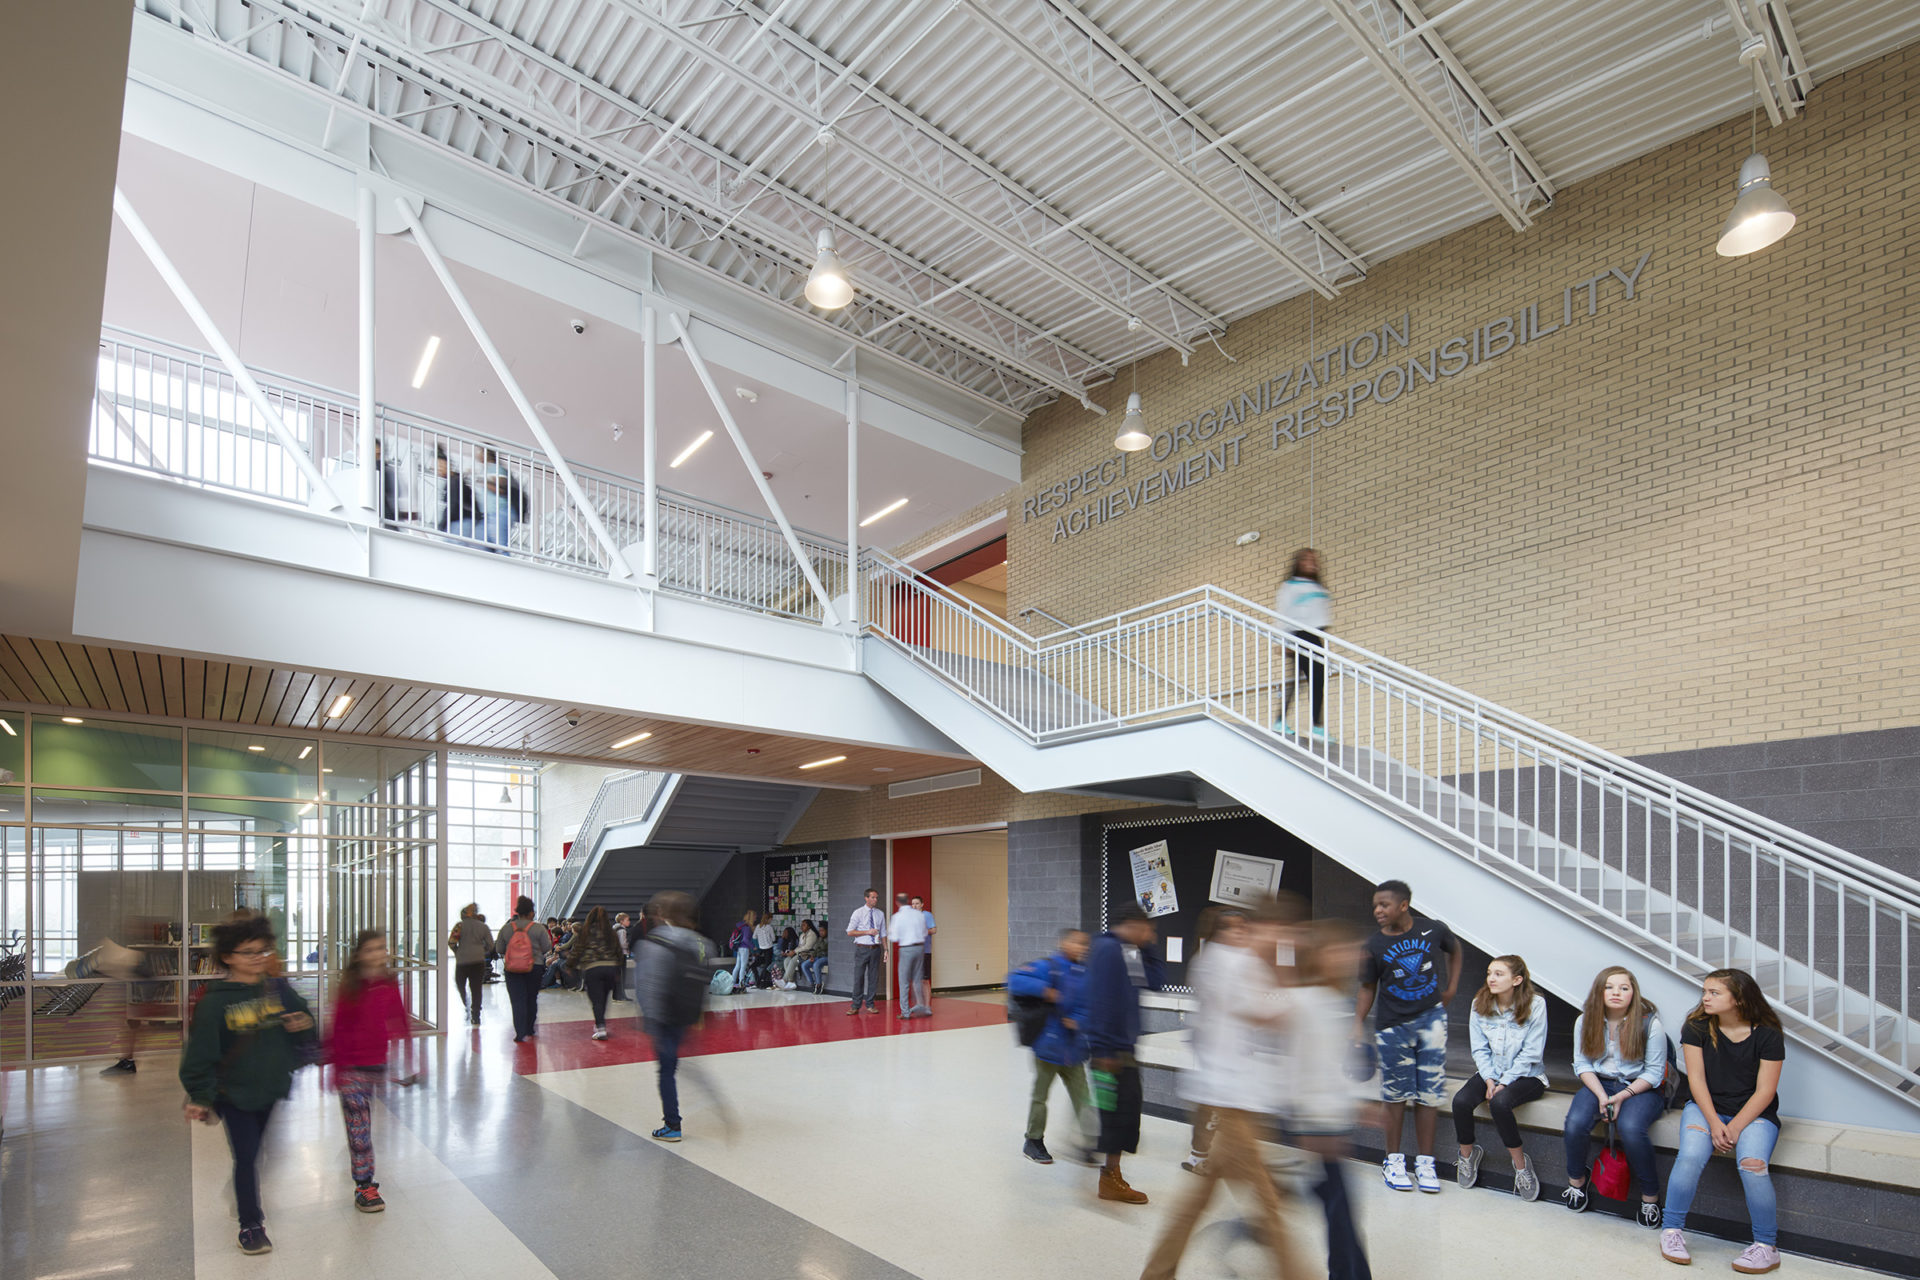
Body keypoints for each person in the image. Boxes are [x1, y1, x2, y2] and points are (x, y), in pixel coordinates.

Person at [1142, 901, 1306, 1280]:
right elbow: (1266, 1014)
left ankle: (1157, 1272)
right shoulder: (1227, 961)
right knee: (1267, 1203)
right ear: (1219, 933)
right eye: (1235, 929)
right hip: (1229, 1097)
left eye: (1245, 929)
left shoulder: (1225, 961)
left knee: (1199, 1197)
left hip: (1234, 1093)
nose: (1243, 935)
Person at [178, 915, 316, 1255]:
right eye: (248, 952)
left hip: (269, 1089)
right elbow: (200, 1053)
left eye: (263, 950)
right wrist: (200, 1095)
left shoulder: (276, 989)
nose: (258, 957)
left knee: (256, 1152)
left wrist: (302, 1024)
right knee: (247, 1156)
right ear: (228, 957)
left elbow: (307, 1024)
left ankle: (242, 1197)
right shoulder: (215, 1002)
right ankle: (251, 1224)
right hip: (234, 1093)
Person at [1660, 969, 1786, 1274]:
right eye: (1705, 991)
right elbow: (1698, 1081)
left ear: (1739, 998)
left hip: (1754, 1113)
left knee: (1752, 1165)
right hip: (1706, 1108)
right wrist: (1716, 1124)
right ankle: (1671, 1231)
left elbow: (1766, 1091)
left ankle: (1766, 1247)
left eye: (1714, 993)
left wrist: (1736, 1126)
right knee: (1690, 1155)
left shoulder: (1767, 1034)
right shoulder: (1697, 1027)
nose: (1705, 998)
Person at [1353, 878, 1461, 1194]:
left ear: (1403, 905)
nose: (1378, 910)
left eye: (1384, 904)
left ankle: (1425, 1162)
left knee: (1428, 1095)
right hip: (1392, 1027)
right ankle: (1393, 1160)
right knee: (1396, 1096)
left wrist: (1452, 988)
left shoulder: (1433, 930)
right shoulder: (1373, 945)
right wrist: (1357, 1022)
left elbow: (1456, 950)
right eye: (1375, 905)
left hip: (1431, 1023)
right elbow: (1367, 988)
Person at [1287, 920, 1374, 1280]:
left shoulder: (1333, 1002)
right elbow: (1302, 1071)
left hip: (1332, 1123)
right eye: (1339, 950)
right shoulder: (1306, 1003)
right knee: (1339, 1212)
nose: (1350, 957)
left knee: (1340, 1212)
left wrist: (1358, 1108)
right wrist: (1317, 1126)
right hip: (1320, 1125)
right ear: (1319, 957)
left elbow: (1335, 1069)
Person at [1562, 964, 1667, 1225]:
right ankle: (1577, 1182)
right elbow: (1582, 1065)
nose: (1616, 992)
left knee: (1631, 1128)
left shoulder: (1649, 1024)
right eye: (1609, 987)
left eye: (1624, 987)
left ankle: (1650, 1198)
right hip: (1599, 1083)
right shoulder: (1585, 1020)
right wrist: (1601, 1095)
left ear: (1634, 992)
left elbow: (1654, 1073)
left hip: (1639, 1087)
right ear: (1599, 991)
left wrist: (1622, 1097)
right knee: (1575, 1124)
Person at [1083, 905, 1165, 1204]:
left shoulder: (1128, 950)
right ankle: (1109, 1179)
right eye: (1148, 929)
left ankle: (1111, 1174)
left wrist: (1149, 945)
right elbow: (1101, 1000)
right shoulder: (1107, 949)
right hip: (1110, 1052)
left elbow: (1155, 982)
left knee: (1126, 1116)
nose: (1151, 934)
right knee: (1116, 1117)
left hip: (1123, 1049)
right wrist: (1104, 1049)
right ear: (1133, 924)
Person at [328, 929, 413, 1213]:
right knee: (360, 1128)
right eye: (370, 949)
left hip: (375, 1064)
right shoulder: (350, 986)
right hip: (351, 1067)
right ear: (358, 955)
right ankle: (364, 1184)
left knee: (361, 1125)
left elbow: (399, 1019)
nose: (378, 954)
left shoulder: (388, 984)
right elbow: (338, 1029)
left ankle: (361, 1170)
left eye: (381, 948)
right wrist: (335, 1070)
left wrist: (410, 1059)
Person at [1453, 954, 1549, 1200]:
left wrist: (1505, 1082)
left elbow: (1532, 1053)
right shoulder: (1479, 1003)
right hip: (1491, 1072)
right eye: (1489, 973)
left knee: (1500, 1103)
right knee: (1461, 1102)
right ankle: (1467, 1156)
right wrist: (1489, 1079)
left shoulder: (1536, 1005)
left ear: (1517, 980)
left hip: (1527, 1075)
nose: (1491, 979)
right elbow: (1479, 1049)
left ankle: (1521, 1166)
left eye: (1498, 974)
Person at [1008, 928, 1093, 1165]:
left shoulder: (1085, 972)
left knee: (1083, 1097)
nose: (1081, 947)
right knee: (1040, 1096)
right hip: (1048, 1046)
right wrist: (1044, 990)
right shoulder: (1048, 966)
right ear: (1063, 943)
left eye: (1084, 944)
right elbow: (1014, 979)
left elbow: (1088, 1006)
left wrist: (1079, 1020)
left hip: (1073, 1050)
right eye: (1076, 943)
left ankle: (1088, 1142)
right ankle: (1033, 1140)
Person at [637, 891, 709, 1142]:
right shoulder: (701, 942)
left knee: (666, 1070)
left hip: (663, 1015)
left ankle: (672, 1125)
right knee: (673, 1063)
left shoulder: (654, 941)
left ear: (663, 914)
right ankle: (675, 1119)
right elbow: (704, 980)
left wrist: (649, 1018)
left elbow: (648, 984)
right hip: (687, 1013)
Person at [1273, 547, 1332, 738]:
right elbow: (1282, 613)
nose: (1311, 563)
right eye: (1306, 560)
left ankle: (1312, 724)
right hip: (1300, 635)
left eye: (1313, 560)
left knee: (1316, 679)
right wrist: (1284, 639)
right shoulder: (1291, 586)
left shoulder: (1318, 588)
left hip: (1316, 636)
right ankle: (1286, 721)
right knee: (1304, 679)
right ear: (1298, 563)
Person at [495, 897, 552, 1043]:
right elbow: (547, 947)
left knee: (517, 1000)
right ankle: (529, 1028)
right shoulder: (538, 928)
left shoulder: (507, 928)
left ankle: (519, 1031)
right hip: (535, 967)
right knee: (531, 998)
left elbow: (499, 948)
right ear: (531, 913)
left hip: (512, 969)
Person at [569, 906, 625, 1040]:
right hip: (610, 968)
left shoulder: (585, 932)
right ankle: (601, 1024)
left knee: (596, 1000)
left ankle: (600, 1028)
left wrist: (570, 965)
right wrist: (617, 970)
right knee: (604, 998)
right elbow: (618, 951)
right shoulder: (611, 933)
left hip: (593, 968)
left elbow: (577, 950)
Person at [449, 903, 493, 1027]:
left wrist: (458, 951)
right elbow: (490, 945)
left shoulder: (459, 926)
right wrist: (481, 951)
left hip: (462, 961)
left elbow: (451, 942)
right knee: (476, 988)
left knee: (460, 984)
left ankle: (466, 1004)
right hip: (478, 962)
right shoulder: (483, 927)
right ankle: (476, 1015)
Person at [889, 892, 932, 1018]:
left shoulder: (897, 916)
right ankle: (921, 1005)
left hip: (906, 949)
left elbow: (894, 937)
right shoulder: (919, 915)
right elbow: (925, 932)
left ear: (897, 902)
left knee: (904, 981)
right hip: (920, 948)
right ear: (908, 901)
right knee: (918, 978)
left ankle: (905, 1012)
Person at [845, 889, 885, 1015]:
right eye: (873, 897)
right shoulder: (858, 913)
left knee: (873, 978)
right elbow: (850, 932)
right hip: (862, 948)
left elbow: (883, 933)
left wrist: (886, 949)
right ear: (866, 898)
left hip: (875, 949)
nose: (875, 900)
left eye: (876, 897)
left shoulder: (880, 914)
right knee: (859, 977)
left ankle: (870, 1004)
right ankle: (855, 1005)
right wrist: (867, 932)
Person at [913, 894, 937, 1011]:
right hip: (913, 952)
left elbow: (934, 930)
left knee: (925, 980)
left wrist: (922, 932)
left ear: (922, 904)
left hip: (925, 951)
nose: (915, 906)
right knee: (915, 979)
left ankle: (927, 1006)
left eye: (917, 903)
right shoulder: (910, 917)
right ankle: (919, 1004)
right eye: (913, 904)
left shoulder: (927, 915)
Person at [798, 921, 830, 993]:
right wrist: (812, 956)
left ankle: (819, 984)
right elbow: (815, 949)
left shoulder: (828, 939)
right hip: (818, 957)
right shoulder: (819, 938)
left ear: (827, 930)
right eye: (820, 931)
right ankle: (812, 983)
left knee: (816, 964)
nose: (821, 932)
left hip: (826, 957)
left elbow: (823, 947)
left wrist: (821, 941)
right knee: (804, 965)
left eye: (823, 931)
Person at [728, 911, 757, 992]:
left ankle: (732, 982)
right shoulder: (747, 928)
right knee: (743, 966)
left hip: (739, 948)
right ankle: (741, 983)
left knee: (737, 965)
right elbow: (745, 939)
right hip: (744, 948)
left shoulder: (741, 926)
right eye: (755, 916)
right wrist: (753, 946)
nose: (756, 918)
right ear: (752, 917)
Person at [612, 912, 634, 1002]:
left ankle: (616, 995)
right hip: (621, 954)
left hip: (614, 955)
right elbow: (623, 943)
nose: (629, 922)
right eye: (627, 920)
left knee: (617, 976)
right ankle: (621, 995)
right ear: (622, 921)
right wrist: (630, 945)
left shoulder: (614, 928)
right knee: (622, 975)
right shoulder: (622, 930)